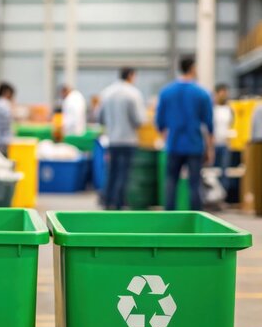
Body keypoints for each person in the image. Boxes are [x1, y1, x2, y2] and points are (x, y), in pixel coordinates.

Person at [156, 55, 214, 211]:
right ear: (193, 68)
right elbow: (209, 124)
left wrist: (166, 138)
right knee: (194, 183)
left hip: (173, 144)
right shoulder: (202, 93)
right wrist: (210, 148)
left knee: (171, 182)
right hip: (194, 145)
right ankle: (196, 217)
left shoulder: (166, 92)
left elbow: (160, 122)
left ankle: (169, 218)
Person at [98, 67, 146, 210]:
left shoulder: (106, 93)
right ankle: (119, 205)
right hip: (128, 140)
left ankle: (107, 202)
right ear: (131, 76)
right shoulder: (133, 93)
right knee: (123, 173)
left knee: (111, 172)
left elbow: (100, 118)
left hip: (112, 139)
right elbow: (139, 120)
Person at [213, 83, 233, 188]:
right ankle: (211, 197)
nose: (224, 95)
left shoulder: (229, 109)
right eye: (222, 93)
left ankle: (223, 196)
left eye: (225, 93)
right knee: (212, 172)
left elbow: (232, 125)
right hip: (214, 144)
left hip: (225, 144)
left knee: (224, 172)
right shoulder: (212, 110)